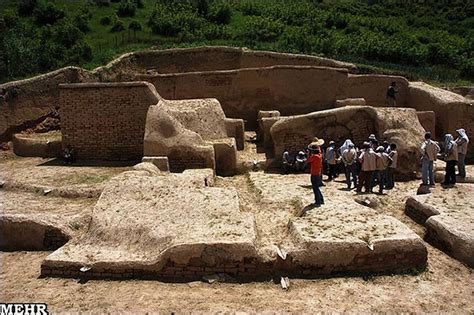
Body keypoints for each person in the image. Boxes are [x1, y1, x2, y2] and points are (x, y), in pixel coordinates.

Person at [307, 138, 325, 207]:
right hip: (318, 173)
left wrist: (309, 153)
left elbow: (308, 160)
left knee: (315, 188)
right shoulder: (319, 155)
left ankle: (318, 202)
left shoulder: (314, 157)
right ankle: (321, 200)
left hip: (314, 174)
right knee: (317, 187)